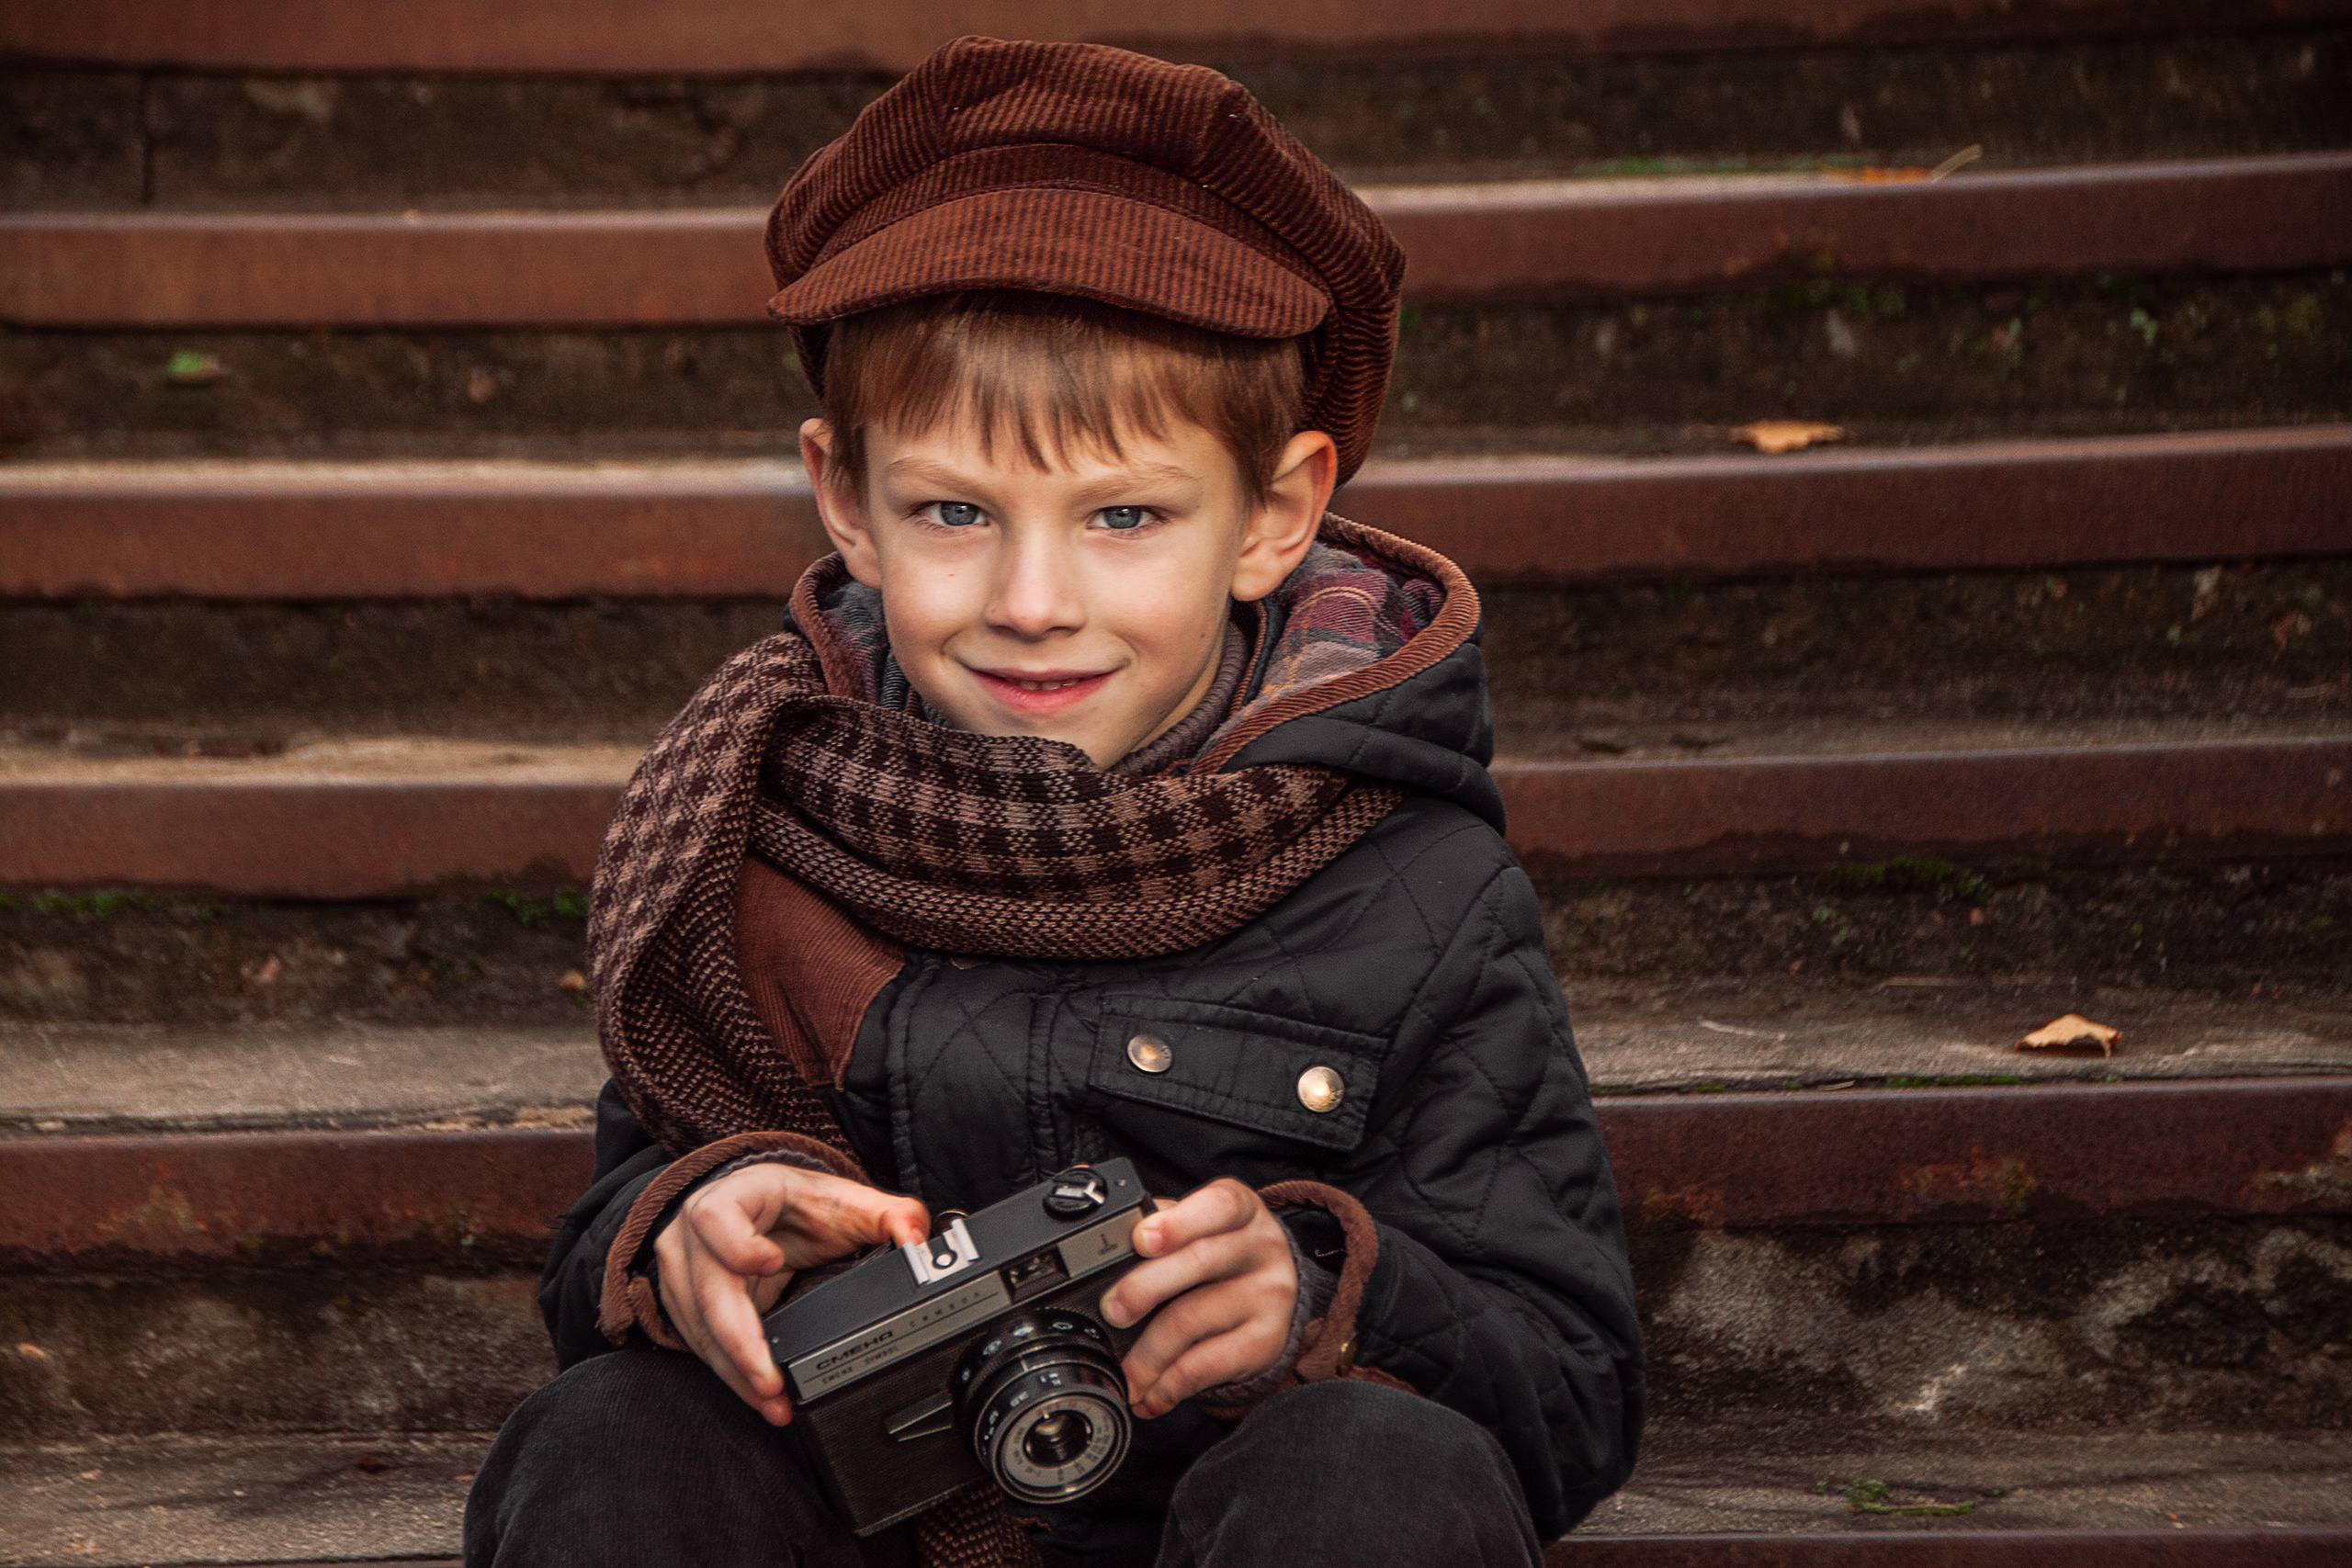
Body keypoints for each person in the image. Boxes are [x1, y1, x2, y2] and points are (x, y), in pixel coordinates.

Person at [464, 36, 1642, 1568]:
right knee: (610, 1433)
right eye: (954, 510)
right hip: (857, 1511)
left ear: (1276, 514)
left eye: (1126, 516)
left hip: (1231, 1525)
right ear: (845, 498)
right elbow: (605, 1262)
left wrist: (1330, 1298)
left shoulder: (1410, 882)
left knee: (1379, 1470)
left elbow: (1572, 1384)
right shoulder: (751, 833)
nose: (1033, 600)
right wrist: (680, 1236)